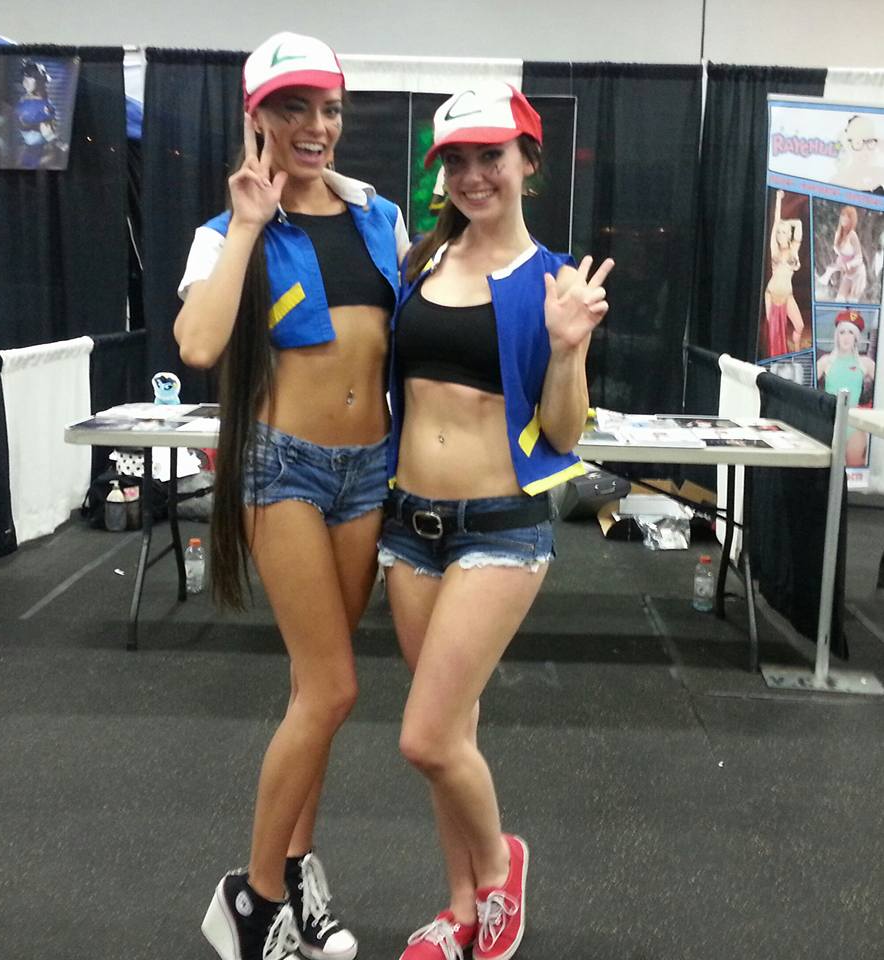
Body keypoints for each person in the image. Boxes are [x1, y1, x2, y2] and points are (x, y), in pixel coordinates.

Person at [174, 31, 408, 960]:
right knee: (334, 686)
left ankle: (298, 869)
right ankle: (253, 896)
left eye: (330, 108)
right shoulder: (227, 230)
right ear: (258, 117)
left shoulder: (378, 216)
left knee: (318, 690)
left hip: (368, 471)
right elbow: (199, 344)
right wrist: (246, 223)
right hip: (285, 470)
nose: (317, 126)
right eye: (294, 108)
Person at [379, 81, 612, 960]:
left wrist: (567, 347)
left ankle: (500, 863)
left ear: (527, 162)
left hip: (501, 528)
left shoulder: (555, 281)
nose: (474, 175)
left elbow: (562, 431)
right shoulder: (420, 264)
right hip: (410, 528)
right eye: (458, 161)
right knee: (456, 736)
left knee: (426, 736)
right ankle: (460, 907)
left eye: (492, 157)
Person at [816, 309, 876, 467]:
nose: (846, 337)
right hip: (829, 424)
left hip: (854, 425)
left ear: (856, 337)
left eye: (851, 332)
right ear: (837, 335)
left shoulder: (865, 363)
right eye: (842, 332)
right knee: (828, 471)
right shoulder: (825, 362)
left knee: (855, 472)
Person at [763, 190, 804, 356]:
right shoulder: (774, 249)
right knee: (774, 335)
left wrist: (787, 223)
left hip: (787, 295)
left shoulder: (794, 249)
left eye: (783, 232)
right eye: (779, 232)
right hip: (771, 294)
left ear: (789, 235)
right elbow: (775, 222)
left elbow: (799, 224)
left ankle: (797, 352)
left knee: (799, 326)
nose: (780, 235)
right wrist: (778, 200)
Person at [14, 59, 60, 168]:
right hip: (23, 150)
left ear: (39, 80)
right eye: (24, 77)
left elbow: (50, 134)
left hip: (38, 152)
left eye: (30, 77)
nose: (25, 81)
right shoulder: (22, 101)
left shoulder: (45, 106)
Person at [817, 204, 867, 303]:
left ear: (852, 220)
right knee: (840, 300)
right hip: (847, 274)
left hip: (858, 273)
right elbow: (840, 255)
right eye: (843, 215)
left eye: (848, 216)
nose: (844, 218)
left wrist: (847, 265)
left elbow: (859, 258)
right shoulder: (838, 234)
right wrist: (836, 267)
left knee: (852, 302)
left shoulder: (852, 235)